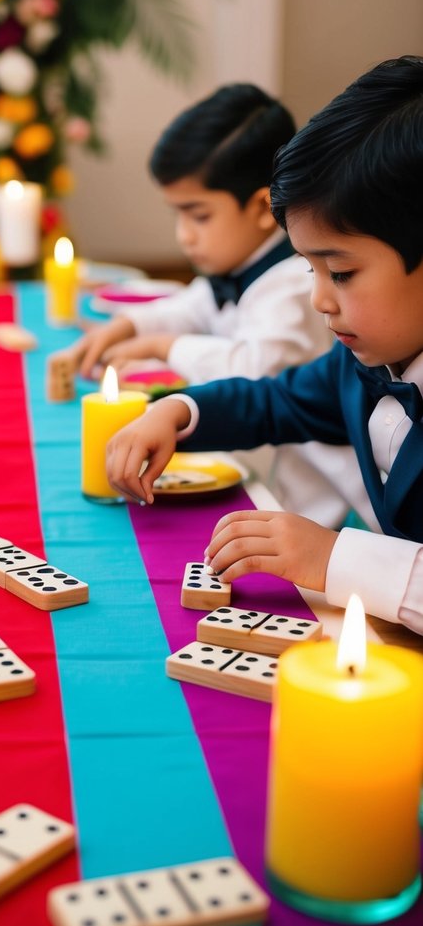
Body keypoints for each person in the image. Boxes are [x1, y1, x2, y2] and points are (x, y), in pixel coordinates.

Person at [106, 54, 423, 635]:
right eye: (310, 271)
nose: (318, 300)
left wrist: (334, 558)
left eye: (342, 274)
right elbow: (275, 400)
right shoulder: (363, 362)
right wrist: (178, 411)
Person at [70, 83, 369, 529]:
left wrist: (165, 346)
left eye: (199, 215)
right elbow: (189, 306)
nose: (184, 235)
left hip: (317, 511)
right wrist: (128, 327)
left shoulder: (293, 283)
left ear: (263, 208)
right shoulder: (237, 268)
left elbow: (257, 371)